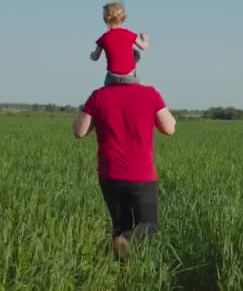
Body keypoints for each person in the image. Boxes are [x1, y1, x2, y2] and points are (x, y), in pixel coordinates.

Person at [72, 83, 176, 259]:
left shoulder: (98, 96)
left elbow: (79, 132)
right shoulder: (149, 94)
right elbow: (169, 128)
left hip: (109, 174)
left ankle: (119, 268)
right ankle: (124, 246)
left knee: (120, 226)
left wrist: (85, 109)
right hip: (140, 174)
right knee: (148, 225)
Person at [90, 1, 150, 85]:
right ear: (123, 18)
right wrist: (145, 39)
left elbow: (95, 57)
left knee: (106, 88)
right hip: (130, 76)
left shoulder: (104, 38)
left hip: (112, 77)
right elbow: (144, 46)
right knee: (140, 87)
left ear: (105, 19)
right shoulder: (129, 34)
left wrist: (92, 55)